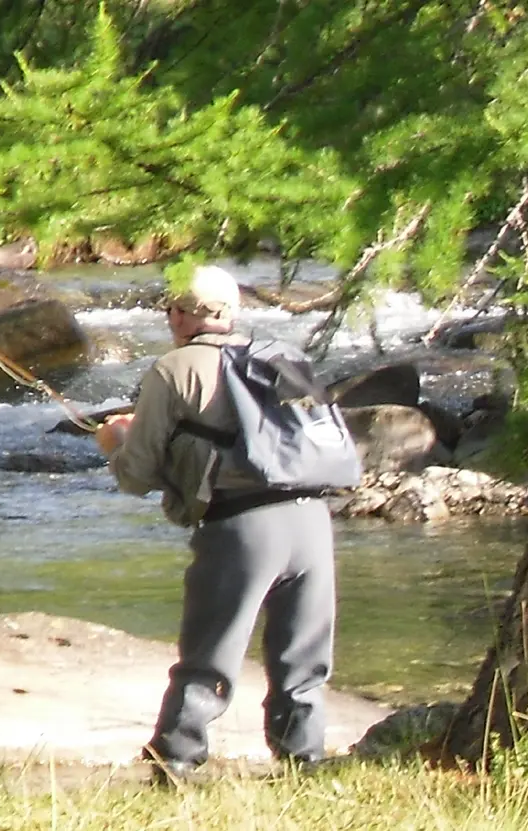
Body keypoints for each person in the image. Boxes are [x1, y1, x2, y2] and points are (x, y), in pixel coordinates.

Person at [94, 264, 336, 780]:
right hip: (313, 521)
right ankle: (304, 768)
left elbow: (137, 475)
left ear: (180, 314)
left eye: (169, 310)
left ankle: (175, 765)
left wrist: (116, 444)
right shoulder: (281, 358)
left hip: (243, 529)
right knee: (303, 665)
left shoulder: (175, 368)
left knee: (209, 660)